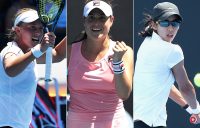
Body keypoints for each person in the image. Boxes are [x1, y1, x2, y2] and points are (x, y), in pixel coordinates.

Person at [67, 0, 133, 128]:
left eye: (102, 18)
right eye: (91, 18)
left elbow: (124, 94)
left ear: (111, 20)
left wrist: (117, 62)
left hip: (115, 123)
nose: (96, 23)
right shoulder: (70, 51)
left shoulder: (125, 52)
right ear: (84, 21)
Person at [134, 2, 200, 128]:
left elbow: (164, 85)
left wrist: (190, 108)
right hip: (147, 124)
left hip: (147, 122)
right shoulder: (172, 50)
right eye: (165, 22)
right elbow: (185, 87)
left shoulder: (146, 43)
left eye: (175, 23)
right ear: (153, 24)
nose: (170, 28)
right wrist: (196, 110)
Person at [0, 8, 66, 128]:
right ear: (17, 30)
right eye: (32, 27)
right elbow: (10, 69)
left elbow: (58, 55)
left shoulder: (29, 54)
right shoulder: (11, 51)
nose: (38, 32)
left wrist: (75, 31)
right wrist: (39, 49)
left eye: (40, 28)